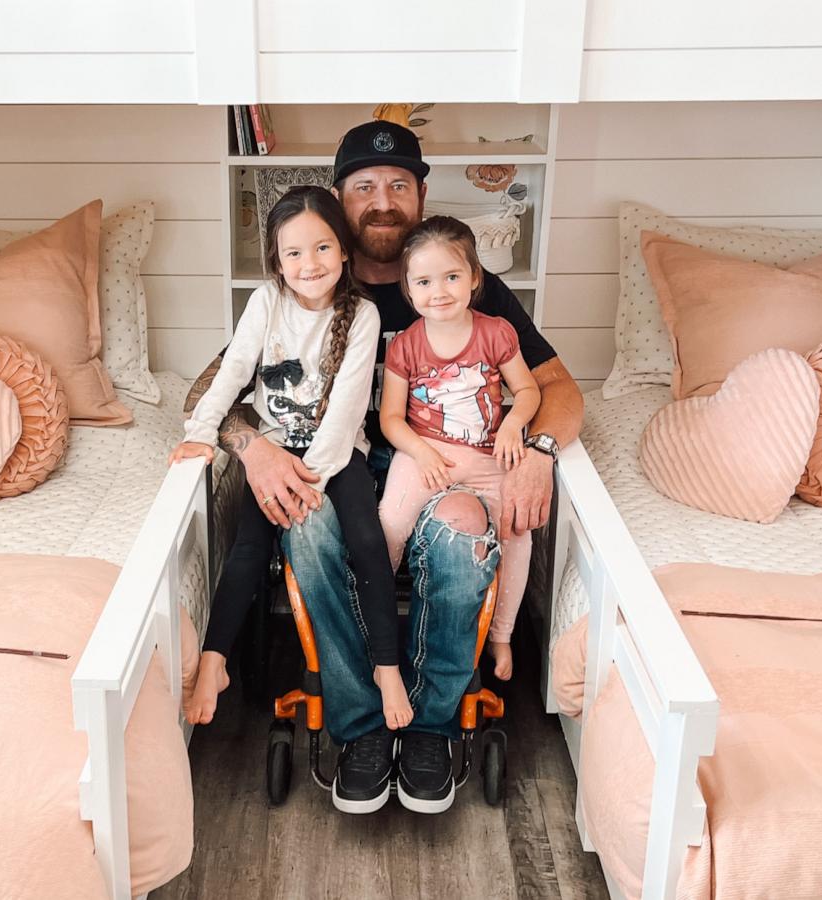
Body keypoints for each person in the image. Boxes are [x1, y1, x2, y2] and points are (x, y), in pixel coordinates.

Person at [188, 121, 584, 815]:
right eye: (364, 187)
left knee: (464, 531)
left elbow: (562, 391)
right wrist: (253, 449)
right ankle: (361, 725)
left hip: (442, 472)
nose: (383, 201)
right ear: (339, 205)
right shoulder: (306, 293)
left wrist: (540, 455)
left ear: (422, 195)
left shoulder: (456, 285)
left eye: (399, 185)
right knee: (305, 525)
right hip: (336, 470)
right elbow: (208, 392)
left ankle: (431, 725)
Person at [171, 186, 407, 749]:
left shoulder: (364, 316)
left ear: (344, 251)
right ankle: (214, 659)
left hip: (336, 455)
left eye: (322, 248)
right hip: (276, 449)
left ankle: (387, 667)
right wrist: (200, 435)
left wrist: (308, 484)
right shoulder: (265, 302)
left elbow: (347, 409)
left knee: (368, 540)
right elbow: (231, 374)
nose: (309, 265)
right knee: (249, 547)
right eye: (294, 253)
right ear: (276, 259)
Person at [378, 216, 539, 685]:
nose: (439, 291)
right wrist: (422, 455)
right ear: (409, 289)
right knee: (390, 522)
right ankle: (374, 620)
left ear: (474, 278)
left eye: (451, 277)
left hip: (489, 457)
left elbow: (527, 390)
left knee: (517, 530)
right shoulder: (406, 346)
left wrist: (513, 425)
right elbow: (391, 418)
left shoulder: (496, 332)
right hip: (425, 451)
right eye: (424, 281)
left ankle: (502, 633)